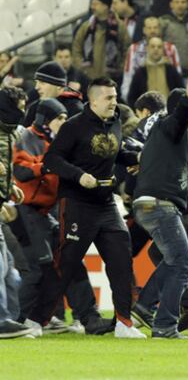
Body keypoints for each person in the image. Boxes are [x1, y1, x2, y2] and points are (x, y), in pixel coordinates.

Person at [41, 77, 144, 339]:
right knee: (66, 264)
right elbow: (52, 158)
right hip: (77, 203)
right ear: (93, 100)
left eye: (115, 96)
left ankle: (124, 322)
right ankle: (35, 320)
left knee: (122, 260)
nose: (114, 101)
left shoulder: (115, 121)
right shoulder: (74, 126)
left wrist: (134, 158)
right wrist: (78, 176)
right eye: (109, 98)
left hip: (107, 204)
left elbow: (114, 151)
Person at [12, 99, 106, 336]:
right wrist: (48, 165)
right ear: (44, 119)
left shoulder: (57, 142)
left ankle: (89, 318)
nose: (65, 122)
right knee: (38, 268)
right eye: (60, 118)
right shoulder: (25, 139)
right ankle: (16, 320)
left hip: (47, 213)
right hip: (25, 210)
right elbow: (20, 171)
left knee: (73, 262)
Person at [132, 70, 188, 339]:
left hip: (155, 204)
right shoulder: (170, 126)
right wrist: (187, 99)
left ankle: (144, 306)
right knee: (184, 263)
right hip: (159, 204)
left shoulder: (184, 135)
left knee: (175, 260)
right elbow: (177, 119)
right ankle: (164, 324)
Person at [0, 87, 33, 339]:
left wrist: (10, 188)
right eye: (19, 107)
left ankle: (9, 319)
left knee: (9, 269)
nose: (22, 113)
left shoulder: (10, 133)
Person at [72, 0, 130, 83]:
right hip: (89, 79)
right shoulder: (86, 27)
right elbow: (76, 47)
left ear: (105, 6)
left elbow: (126, 49)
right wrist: (82, 67)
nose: (92, 7)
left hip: (113, 79)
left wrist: (120, 68)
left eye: (96, 4)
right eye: (92, 4)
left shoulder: (119, 26)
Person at [121, 16, 181, 102]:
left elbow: (177, 77)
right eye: (149, 28)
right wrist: (129, 101)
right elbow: (128, 76)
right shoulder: (134, 49)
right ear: (144, 30)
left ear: (159, 29)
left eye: (155, 27)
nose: (152, 31)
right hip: (141, 98)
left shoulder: (171, 49)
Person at [23, 61, 84, 127]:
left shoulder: (75, 109)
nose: (36, 87)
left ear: (59, 86)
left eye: (42, 82)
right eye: (36, 82)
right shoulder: (34, 107)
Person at [127, 36, 184, 106]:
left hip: (169, 112)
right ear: (147, 48)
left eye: (159, 47)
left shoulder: (171, 70)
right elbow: (131, 98)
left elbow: (181, 92)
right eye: (153, 46)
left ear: (163, 50)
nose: (156, 49)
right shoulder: (140, 72)